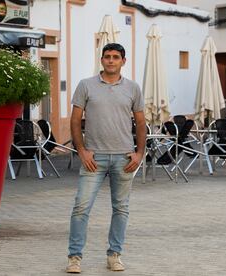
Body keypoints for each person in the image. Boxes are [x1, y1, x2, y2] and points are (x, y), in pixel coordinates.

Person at [66, 43, 146, 273]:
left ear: (123, 61)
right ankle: (74, 257)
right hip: (94, 157)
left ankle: (114, 255)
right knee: (81, 207)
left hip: (124, 158)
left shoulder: (133, 88)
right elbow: (74, 120)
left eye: (116, 57)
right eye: (107, 57)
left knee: (121, 208)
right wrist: (81, 150)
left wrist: (139, 153)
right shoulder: (86, 85)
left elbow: (141, 123)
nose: (111, 60)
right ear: (101, 60)